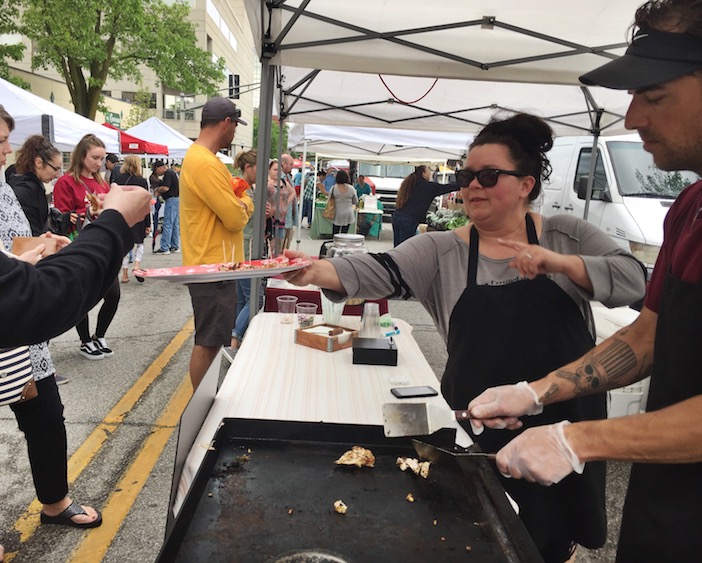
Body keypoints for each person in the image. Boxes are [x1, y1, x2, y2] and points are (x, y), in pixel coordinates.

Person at [283, 112, 646, 562]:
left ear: (526, 184)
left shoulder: (565, 234)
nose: (472, 185)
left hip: (563, 422)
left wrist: (561, 263)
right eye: (466, 175)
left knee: (549, 542)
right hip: (482, 428)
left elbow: (634, 280)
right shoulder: (440, 249)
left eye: (488, 176)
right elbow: (376, 270)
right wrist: (314, 269)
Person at [465, 2, 702, 560]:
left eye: (655, 95)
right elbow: (647, 337)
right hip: (666, 516)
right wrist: (538, 392)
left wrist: (577, 439)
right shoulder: (690, 207)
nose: (633, 118)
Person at [0, 86, 104, 563]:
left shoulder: (2, 188)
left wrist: (43, 245)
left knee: (45, 417)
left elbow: (16, 244)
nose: (6, 151)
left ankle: (55, 501)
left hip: (20, 329)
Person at [179, 96, 253, 390]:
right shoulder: (205, 163)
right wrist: (246, 203)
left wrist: (237, 201)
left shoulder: (203, 160)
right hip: (212, 266)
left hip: (213, 264)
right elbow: (235, 217)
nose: (235, 131)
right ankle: (201, 404)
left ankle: (204, 400)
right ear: (227, 123)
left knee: (212, 338)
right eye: (235, 125)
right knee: (208, 342)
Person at [53, 134, 119, 360]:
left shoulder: (102, 182)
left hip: (104, 244)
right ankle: (85, 341)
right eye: (95, 158)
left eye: (102, 159)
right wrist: (87, 213)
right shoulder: (66, 182)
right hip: (80, 246)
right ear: (82, 155)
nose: (99, 163)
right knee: (83, 296)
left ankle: (99, 335)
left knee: (113, 294)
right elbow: (62, 217)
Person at [225, 149, 269, 361]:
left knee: (243, 298)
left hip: (243, 249)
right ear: (249, 168)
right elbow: (237, 214)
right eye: (260, 169)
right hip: (246, 250)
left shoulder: (250, 188)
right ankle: (234, 340)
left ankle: (233, 342)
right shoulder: (239, 187)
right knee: (255, 298)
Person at [10, 135, 74, 237]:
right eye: (55, 169)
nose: (57, 174)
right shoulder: (28, 191)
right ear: (39, 162)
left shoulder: (30, 186)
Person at [391, 164, 456, 246]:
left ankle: (394, 258)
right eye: (429, 171)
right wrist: (462, 185)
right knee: (405, 248)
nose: (430, 174)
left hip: (397, 216)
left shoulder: (410, 184)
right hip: (409, 219)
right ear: (423, 173)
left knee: (397, 247)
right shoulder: (428, 187)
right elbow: (446, 187)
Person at [113, 155, 151, 283]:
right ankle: (137, 265)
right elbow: (146, 202)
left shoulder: (117, 179)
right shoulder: (141, 181)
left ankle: (124, 274)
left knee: (125, 244)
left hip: (122, 215)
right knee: (139, 243)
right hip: (138, 215)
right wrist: (148, 223)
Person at [267, 159, 295, 255]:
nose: (277, 172)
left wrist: (286, 203)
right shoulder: (267, 183)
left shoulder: (283, 182)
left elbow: (293, 193)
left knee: (280, 242)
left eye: (279, 170)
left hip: (282, 218)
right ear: (269, 170)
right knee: (270, 243)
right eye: (275, 170)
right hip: (270, 219)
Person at [154, 160, 180, 254]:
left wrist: (158, 190)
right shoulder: (173, 173)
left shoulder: (168, 173)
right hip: (177, 199)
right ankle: (175, 245)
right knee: (175, 224)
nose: (157, 173)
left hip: (171, 200)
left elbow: (166, 188)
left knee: (168, 223)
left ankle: (165, 247)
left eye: (157, 170)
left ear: (160, 167)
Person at [329, 170, 357, 235]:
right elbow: (355, 201)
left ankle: (336, 244)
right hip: (348, 213)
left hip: (337, 213)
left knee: (335, 234)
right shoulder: (351, 188)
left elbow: (329, 200)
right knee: (344, 234)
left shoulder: (333, 188)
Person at [280, 154, 298, 250]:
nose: (292, 166)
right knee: (281, 247)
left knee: (286, 246)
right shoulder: (281, 178)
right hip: (283, 218)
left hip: (288, 218)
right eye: (291, 164)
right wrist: (285, 204)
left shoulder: (288, 177)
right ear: (284, 164)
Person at [149, 162, 164, 252]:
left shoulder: (157, 177)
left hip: (158, 200)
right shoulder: (153, 178)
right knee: (155, 219)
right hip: (155, 200)